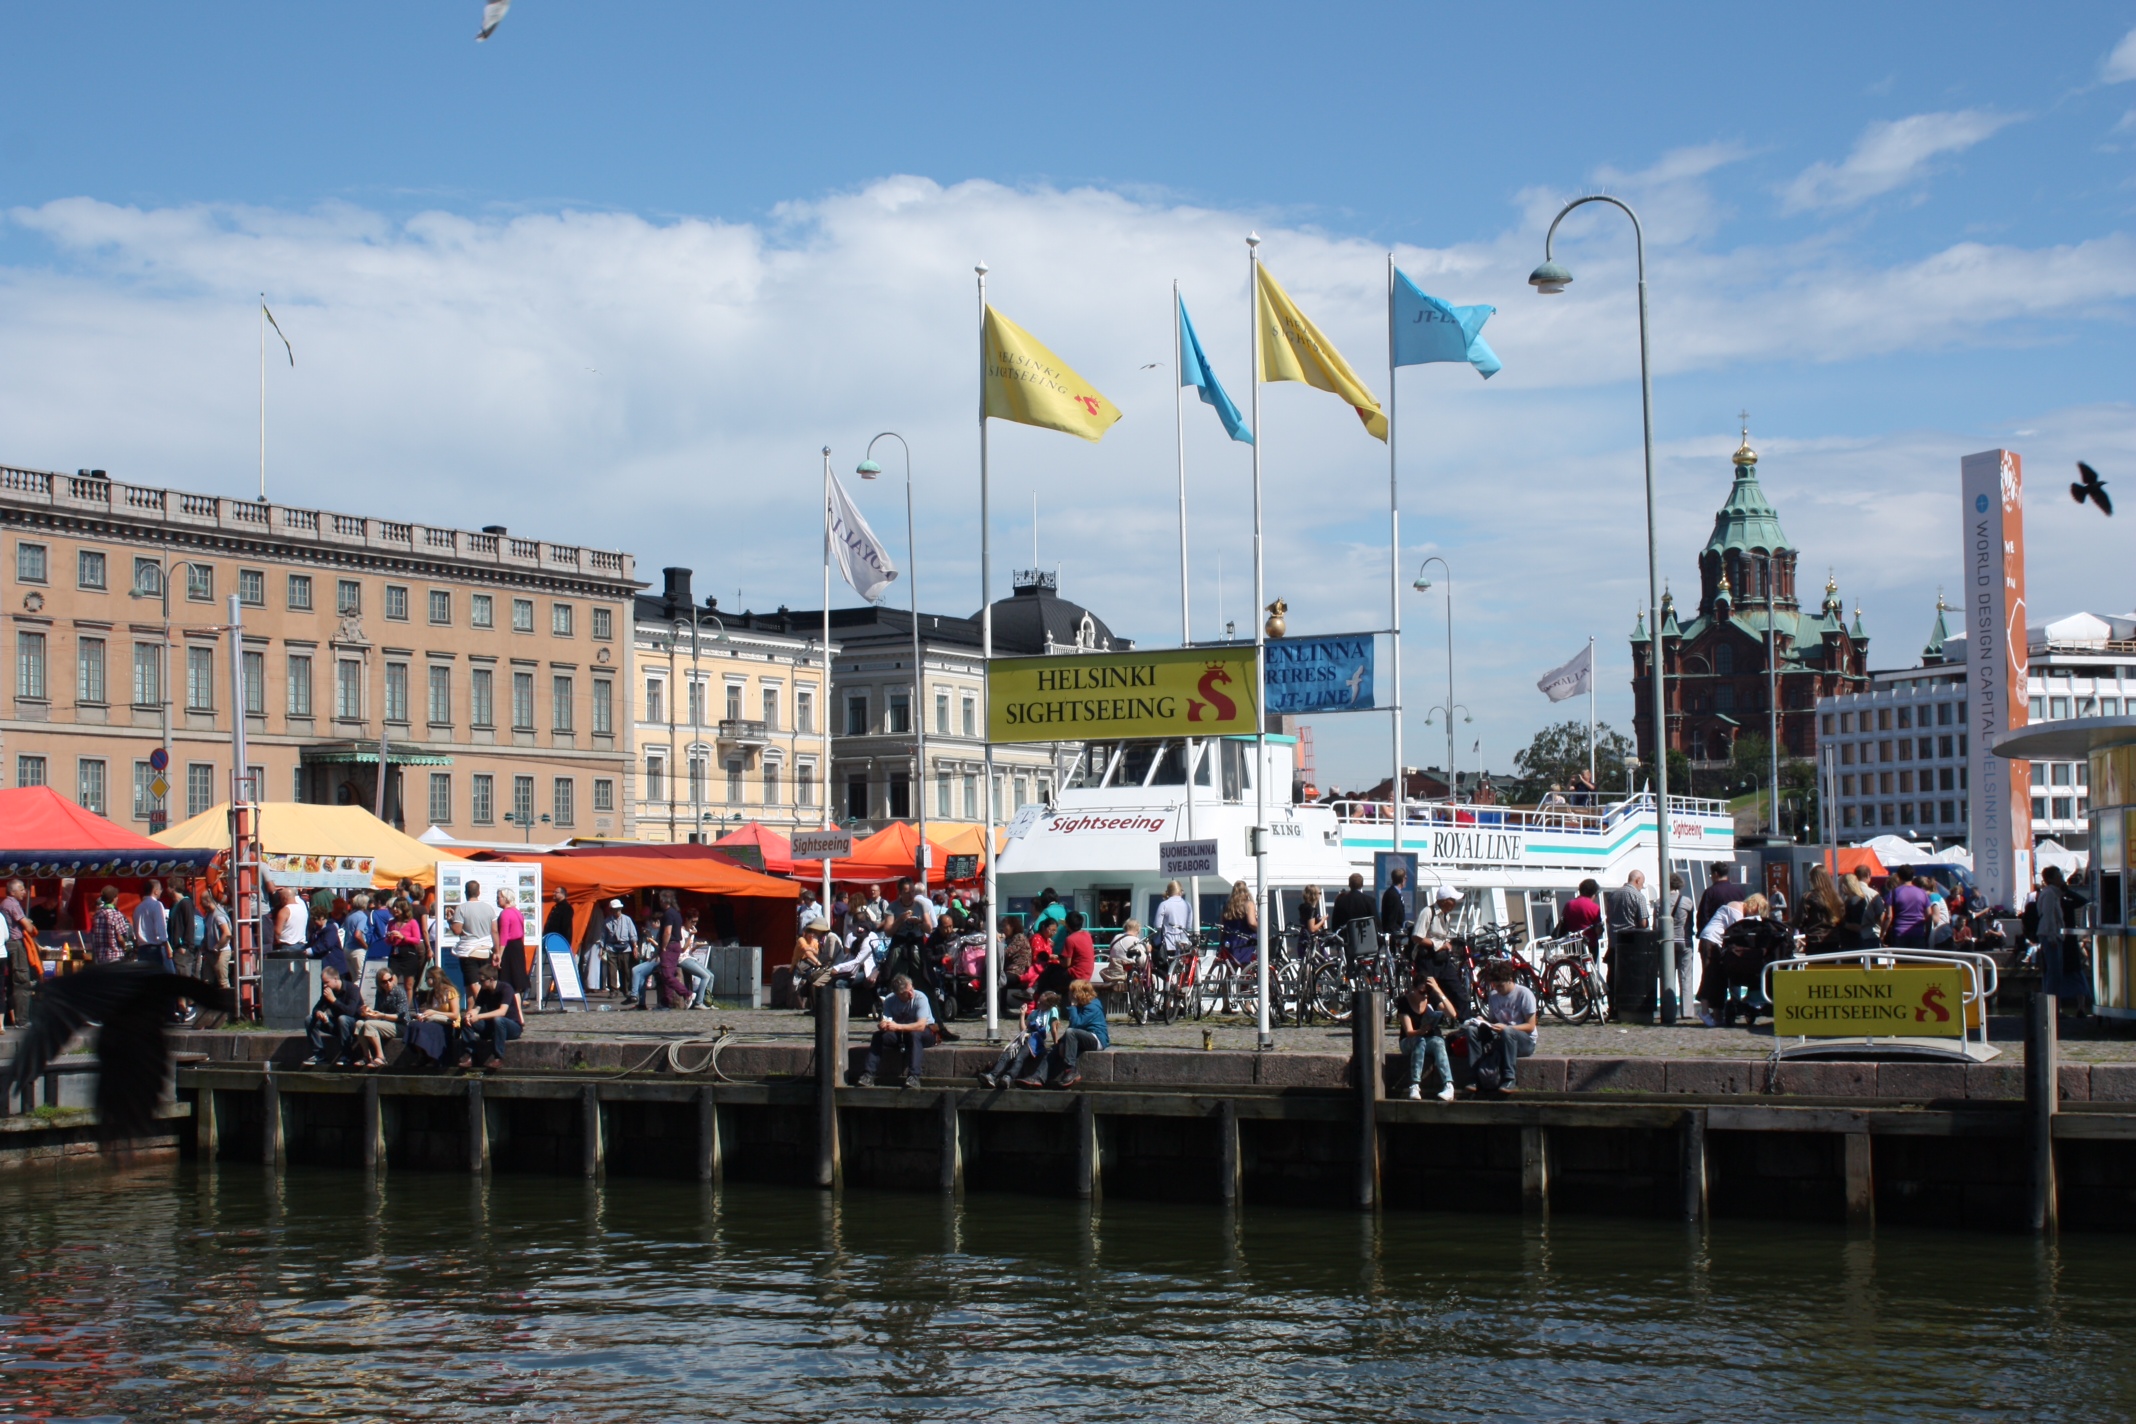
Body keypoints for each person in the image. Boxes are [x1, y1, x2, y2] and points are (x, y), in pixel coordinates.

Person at [1465, 960, 1538, 1092]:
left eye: (1500, 986)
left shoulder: (1524, 994)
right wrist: (1483, 1022)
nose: (1497, 989)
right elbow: (1493, 1021)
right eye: (1495, 986)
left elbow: (1530, 1026)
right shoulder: (1494, 996)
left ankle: (1510, 1079)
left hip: (1524, 1042)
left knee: (1508, 1032)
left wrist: (1506, 1028)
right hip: (1501, 1037)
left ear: (1510, 980)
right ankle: (1474, 1078)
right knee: (1472, 1031)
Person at [854, 973, 935, 1088]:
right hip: (901, 1034)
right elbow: (887, 1020)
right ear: (897, 995)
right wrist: (883, 1025)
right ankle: (868, 1075)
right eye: (905, 993)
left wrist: (897, 1027)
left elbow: (921, 1026)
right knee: (878, 1036)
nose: (910, 994)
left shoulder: (920, 998)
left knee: (914, 1035)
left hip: (924, 1033)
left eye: (911, 989)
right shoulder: (890, 1000)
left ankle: (914, 1076)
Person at [979, 989, 1061, 1090]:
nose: (1038, 1003)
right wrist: (1022, 1014)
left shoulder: (1052, 1011)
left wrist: (1056, 1043)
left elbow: (1053, 1028)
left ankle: (1008, 1077)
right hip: (1024, 1037)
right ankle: (992, 1075)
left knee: (1019, 1057)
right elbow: (1023, 1029)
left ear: (1049, 1004)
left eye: (1042, 1002)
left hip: (1035, 1040)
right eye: (1039, 1000)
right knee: (1007, 1054)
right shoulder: (1035, 1013)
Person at [1398, 969, 1458, 1101]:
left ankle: (1448, 1085)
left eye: (1428, 992)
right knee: (1420, 1041)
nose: (1425, 995)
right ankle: (1414, 1085)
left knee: (1439, 1043)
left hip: (1429, 1038)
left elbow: (1452, 1014)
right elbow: (1409, 1032)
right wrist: (1421, 1031)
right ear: (1413, 989)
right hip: (1410, 1040)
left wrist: (1438, 991)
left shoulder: (1432, 998)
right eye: (1422, 992)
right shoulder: (1404, 1002)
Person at [2038, 865, 2092, 1011]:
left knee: (2056, 973)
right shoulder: (2050, 895)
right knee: (2054, 974)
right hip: (2055, 937)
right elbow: (2048, 918)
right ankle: (2052, 1008)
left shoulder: (2055, 895)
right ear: (2051, 879)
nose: (2062, 879)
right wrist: (2051, 938)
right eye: (2059, 876)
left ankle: (2055, 1007)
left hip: (2060, 937)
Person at [1695, 891, 1752, 1027]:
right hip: (1712, 942)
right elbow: (1738, 931)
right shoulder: (1737, 911)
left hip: (1712, 941)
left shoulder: (1734, 907)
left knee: (1718, 979)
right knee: (1710, 977)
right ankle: (1704, 1011)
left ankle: (1717, 1014)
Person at [459, 963, 524, 1071]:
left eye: (482, 980)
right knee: (465, 1021)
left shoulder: (506, 988)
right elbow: (477, 1007)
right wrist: (470, 1014)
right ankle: (470, 1055)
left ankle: (498, 1058)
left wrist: (479, 1017)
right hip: (493, 1026)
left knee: (498, 1020)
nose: (480, 983)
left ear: (492, 979)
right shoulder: (484, 991)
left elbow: (502, 1012)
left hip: (512, 1027)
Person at [1049, 979, 1109, 1088]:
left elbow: (1075, 1025)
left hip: (1096, 1039)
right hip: (1083, 1037)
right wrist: (1061, 1043)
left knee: (1071, 1032)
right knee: (1054, 1049)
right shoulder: (1081, 1005)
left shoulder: (1092, 1006)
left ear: (1078, 993)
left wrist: (1072, 1007)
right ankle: (1038, 1076)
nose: (1068, 994)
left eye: (1071, 992)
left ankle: (1071, 1070)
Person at [351, 966, 410, 1068]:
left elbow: (401, 1016)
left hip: (401, 1025)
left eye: (390, 980)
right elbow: (378, 1012)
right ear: (380, 984)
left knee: (370, 1025)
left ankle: (380, 1057)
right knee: (359, 1023)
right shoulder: (380, 993)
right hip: (386, 1023)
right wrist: (369, 1012)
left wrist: (382, 1015)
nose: (388, 984)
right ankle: (367, 1056)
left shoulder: (399, 992)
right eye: (384, 982)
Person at [303, 966, 360, 1067]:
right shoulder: (328, 991)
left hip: (352, 1025)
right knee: (309, 1019)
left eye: (327, 982)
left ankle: (347, 1055)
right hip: (336, 1025)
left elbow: (350, 1012)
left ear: (335, 979)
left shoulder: (352, 989)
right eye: (323, 983)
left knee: (342, 1019)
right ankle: (319, 1054)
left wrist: (333, 1000)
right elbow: (316, 1008)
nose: (325, 986)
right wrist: (318, 1013)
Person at [407, 967, 462, 1068]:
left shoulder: (450, 991)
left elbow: (455, 1014)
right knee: (414, 1025)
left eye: (428, 978)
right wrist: (424, 1015)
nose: (426, 980)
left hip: (448, 1024)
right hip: (434, 1022)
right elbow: (430, 1010)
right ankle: (422, 1055)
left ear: (435, 978)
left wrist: (434, 1012)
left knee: (427, 1029)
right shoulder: (432, 993)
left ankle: (433, 1057)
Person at [451, 880, 498, 991]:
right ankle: (473, 1008)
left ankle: (481, 1007)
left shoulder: (461, 908)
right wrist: (497, 951)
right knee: (478, 983)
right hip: (485, 950)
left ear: (465, 892)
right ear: (479, 892)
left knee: (472, 983)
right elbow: (494, 931)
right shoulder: (489, 908)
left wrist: (450, 921)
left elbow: (456, 931)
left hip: (469, 950)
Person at [1604, 870, 1650, 970]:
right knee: (1629, 976)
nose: (1641, 887)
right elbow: (1643, 923)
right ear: (1637, 880)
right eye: (1642, 884)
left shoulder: (1613, 895)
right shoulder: (1639, 896)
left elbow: (1608, 918)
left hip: (1613, 942)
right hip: (1631, 943)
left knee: (1612, 976)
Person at [1794, 865, 1845, 955]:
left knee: (1815, 968)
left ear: (1814, 880)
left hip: (1815, 939)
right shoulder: (1836, 897)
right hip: (1833, 939)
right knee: (1829, 968)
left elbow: (1799, 920)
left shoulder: (1808, 897)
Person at [1882, 865, 1933, 949]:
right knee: (1917, 961)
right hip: (1918, 934)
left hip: (1899, 933)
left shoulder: (1893, 893)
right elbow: (1929, 915)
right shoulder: (1922, 893)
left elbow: (1889, 916)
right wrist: (1927, 933)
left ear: (1898, 876)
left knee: (1901, 961)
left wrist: (1883, 933)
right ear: (1913, 876)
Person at [596, 898, 638, 995]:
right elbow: (603, 936)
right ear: (611, 910)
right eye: (615, 909)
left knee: (625, 969)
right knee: (611, 970)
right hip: (612, 947)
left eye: (618, 909)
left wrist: (635, 946)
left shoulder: (627, 919)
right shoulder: (607, 921)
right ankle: (613, 990)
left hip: (625, 947)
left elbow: (633, 934)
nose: (617, 911)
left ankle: (626, 989)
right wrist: (601, 948)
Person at [494, 886, 529, 997]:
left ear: (506, 898)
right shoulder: (517, 912)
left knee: (508, 981)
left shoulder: (505, 913)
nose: (497, 899)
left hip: (509, 948)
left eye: (499, 897)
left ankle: (509, 1007)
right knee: (516, 984)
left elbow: (504, 936)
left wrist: (500, 954)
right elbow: (522, 932)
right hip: (518, 946)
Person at [1695, 864, 1747, 936]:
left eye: (1711, 874)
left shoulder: (1710, 892)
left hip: (1715, 934)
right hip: (1735, 933)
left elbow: (1703, 914)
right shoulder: (1739, 891)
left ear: (1716, 874)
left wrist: (1702, 932)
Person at [790, 917, 830, 1010]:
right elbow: (807, 952)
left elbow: (818, 952)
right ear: (805, 933)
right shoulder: (801, 940)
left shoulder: (815, 941)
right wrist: (819, 964)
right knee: (811, 977)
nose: (812, 935)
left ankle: (812, 1003)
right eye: (809, 933)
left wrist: (812, 950)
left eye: (813, 933)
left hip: (811, 964)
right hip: (801, 965)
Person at [1153, 880, 1194, 968]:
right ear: (1181, 891)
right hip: (1183, 944)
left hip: (1167, 944)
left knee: (1165, 971)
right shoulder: (1187, 905)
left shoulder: (1164, 904)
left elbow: (1157, 925)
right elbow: (1189, 927)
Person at [1840, 872, 1886, 950]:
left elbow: (1858, 925)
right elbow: (1881, 916)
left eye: (1841, 885)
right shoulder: (1871, 894)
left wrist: (1842, 924)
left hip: (1860, 938)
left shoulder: (1857, 901)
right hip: (1868, 935)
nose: (1840, 888)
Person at [133, 879, 172, 972]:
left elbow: (135, 929)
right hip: (154, 949)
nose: (161, 892)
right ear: (155, 891)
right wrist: (167, 946)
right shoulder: (157, 905)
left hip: (142, 949)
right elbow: (160, 928)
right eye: (160, 889)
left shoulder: (138, 908)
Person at [88, 886, 132, 965]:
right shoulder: (116, 914)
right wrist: (124, 947)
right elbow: (120, 937)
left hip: (100, 957)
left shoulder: (97, 915)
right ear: (114, 898)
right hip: (115, 957)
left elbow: (93, 935)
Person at [1559, 878, 1603, 954]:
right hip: (1589, 944)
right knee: (1588, 965)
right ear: (1594, 893)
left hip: (1571, 944)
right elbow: (1598, 931)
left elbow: (1564, 923)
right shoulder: (1594, 907)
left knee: (1573, 965)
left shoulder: (1569, 904)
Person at [1220, 881, 1258, 967]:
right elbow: (1251, 923)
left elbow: (1222, 924)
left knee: (1231, 970)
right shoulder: (1248, 904)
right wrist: (1262, 927)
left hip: (1230, 940)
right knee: (1245, 968)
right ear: (1246, 891)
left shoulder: (1227, 905)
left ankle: (1230, 980)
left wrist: (1221, 940)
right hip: (1245, 941)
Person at [270, 886, 307, 956]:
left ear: (284, 898)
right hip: (301, 946)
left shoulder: (285, 911)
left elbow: (277, 931)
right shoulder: (303, 908)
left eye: (280, 898)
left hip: (287, 946)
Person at [1378, 865, 1410, 938]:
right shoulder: (1392, 895)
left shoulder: (1395, 893)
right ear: (1402, 880)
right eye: (1405, 878)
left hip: (1398, 930)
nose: (1406, 880)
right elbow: (1391, 919)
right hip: (1394, 934)